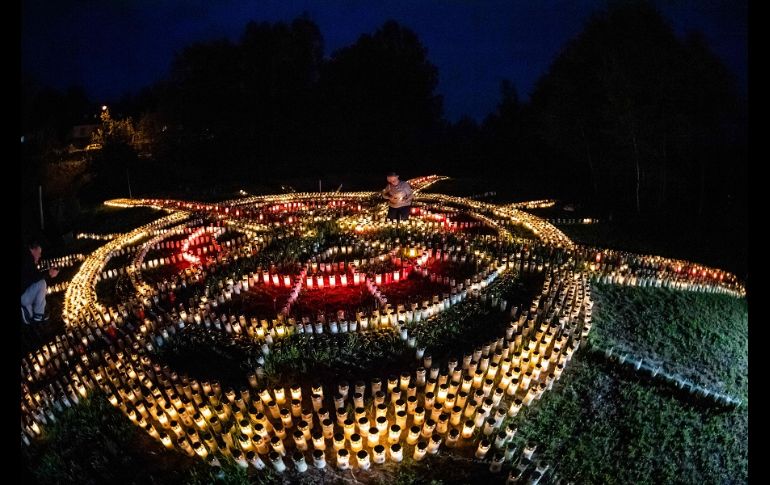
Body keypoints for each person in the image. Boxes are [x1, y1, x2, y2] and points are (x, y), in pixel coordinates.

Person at [21, 241, 58, 324]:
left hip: (24, 295)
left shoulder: (27, 259)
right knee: (42, 283)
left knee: (30, 316)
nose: (40, 255)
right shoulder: (27, 258)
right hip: (23, 296)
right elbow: (35, 278)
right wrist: (48, 273)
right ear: (33, 250)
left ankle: (27, 311)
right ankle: (39, 314)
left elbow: (30, 277)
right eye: (39, 252)